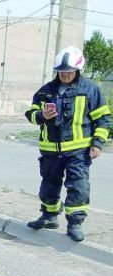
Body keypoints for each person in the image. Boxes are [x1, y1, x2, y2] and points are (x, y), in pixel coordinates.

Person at [23, 46, 111, 242]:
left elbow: (104, 118)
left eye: (68, 72)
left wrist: (97, 143)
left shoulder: (90, 89)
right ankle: (49, 216)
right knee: (49, 185)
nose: (64, 75)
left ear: (77, 70)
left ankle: (75, 223)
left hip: (78, 150)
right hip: (50, 150)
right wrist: (41, 115)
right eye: (61, 72)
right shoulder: (46, 91)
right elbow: (31, 114)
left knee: (78, 186)